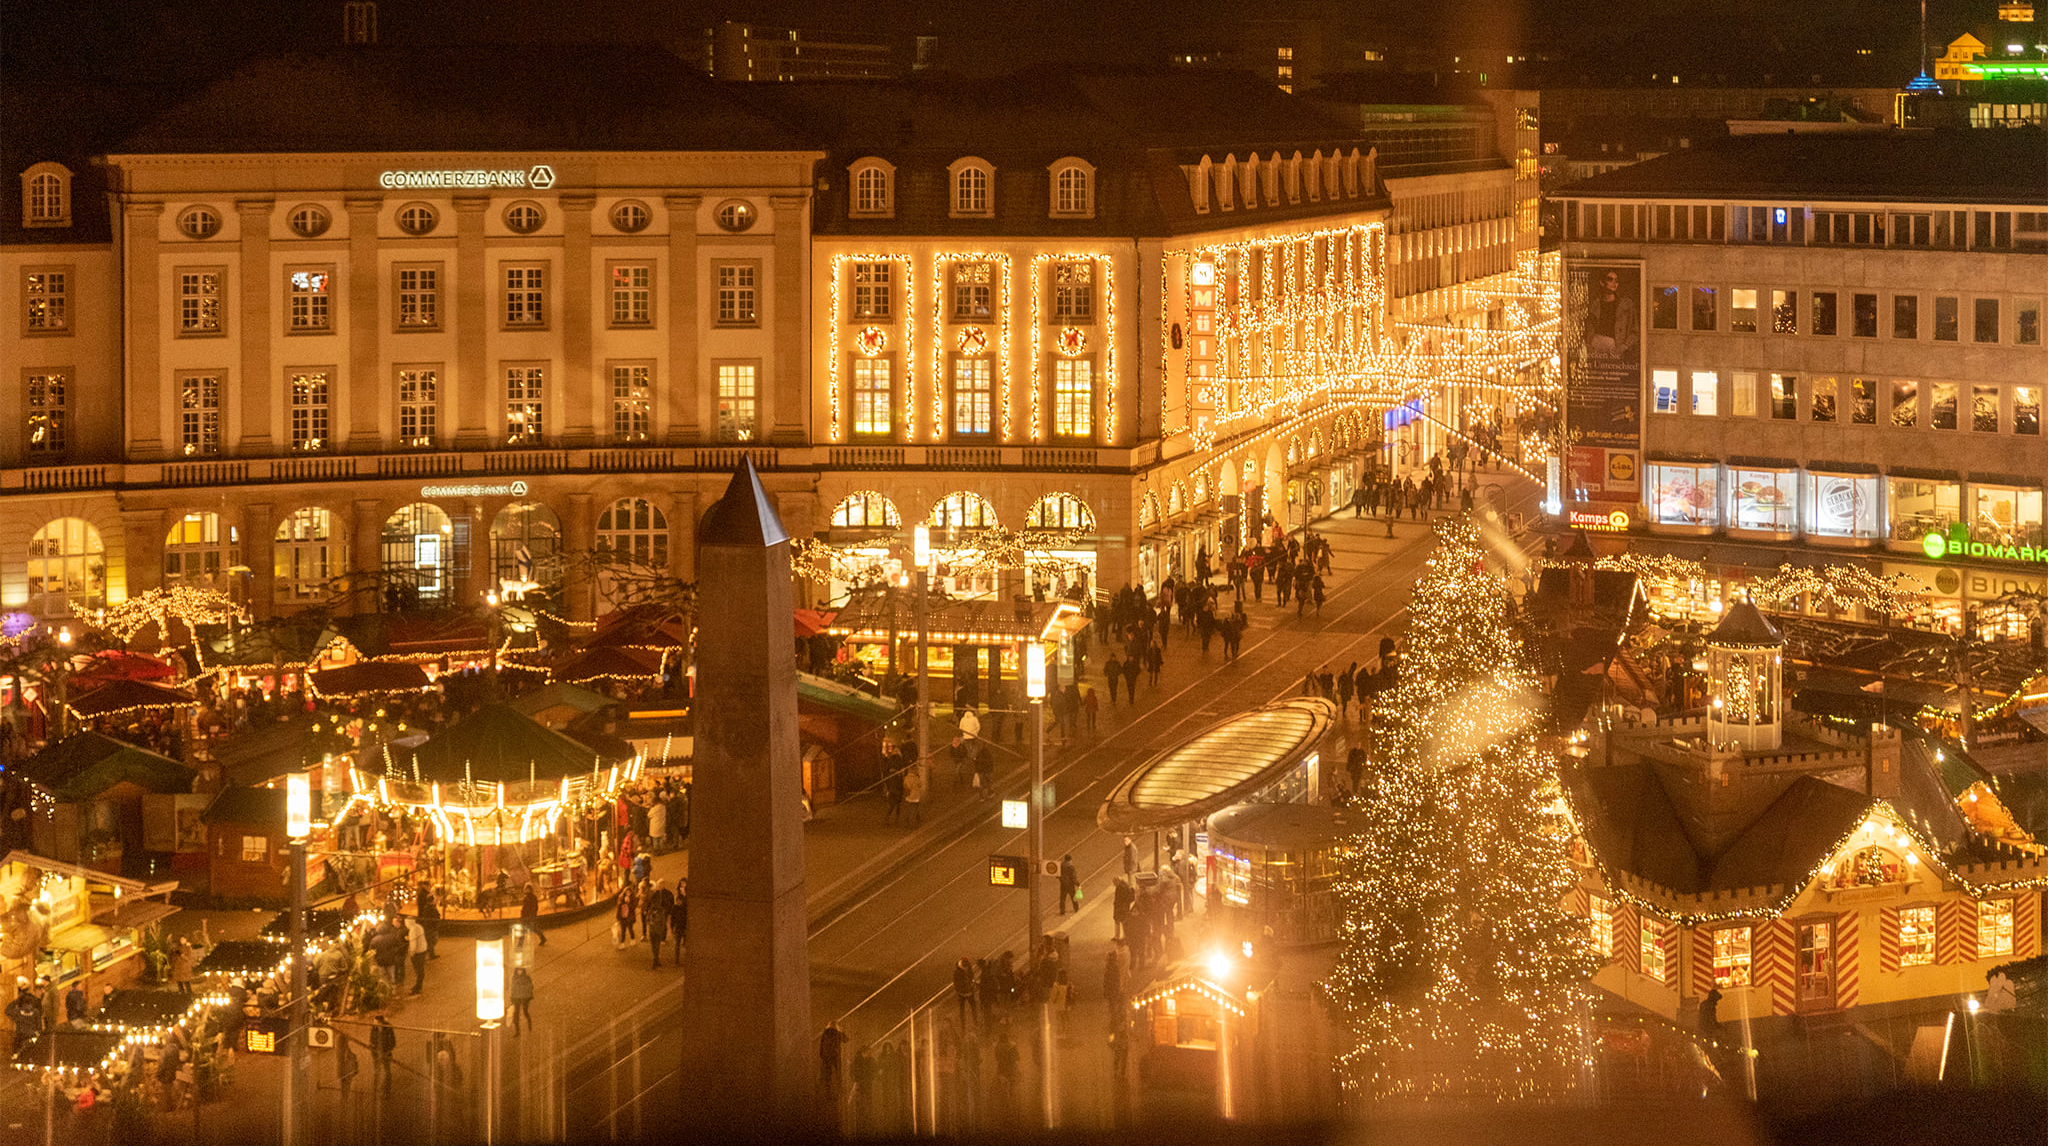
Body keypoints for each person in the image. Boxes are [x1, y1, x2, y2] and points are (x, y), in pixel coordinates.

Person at [645, 880, 674, 968]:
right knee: (656, 945)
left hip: (653, 929)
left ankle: (655, 959)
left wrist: (650, 925)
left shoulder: (651, 911)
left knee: (654, 945)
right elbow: (662, 921)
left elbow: (647, 919)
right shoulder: (660, 911)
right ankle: (656, 959)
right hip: (657, 930)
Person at [370, 1013, 397, 1098]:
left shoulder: (388, 1029)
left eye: (376, 1023)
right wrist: (373, 1051)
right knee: (376, 1073)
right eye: (374, 1023)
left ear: (381, 1022)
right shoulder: (374, 1029)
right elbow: (371, 1040)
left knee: (387, 1073)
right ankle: (375, 1093)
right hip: (376, 1054)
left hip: (386, 1054)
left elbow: (393, 1043)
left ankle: (386, 1092)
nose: (375, 1024)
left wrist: (386, 1051)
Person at [818, 1021, 846, 1102]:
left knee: (827, 1076)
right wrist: (841, 1030)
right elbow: (846, 1039)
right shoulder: (837, 1033)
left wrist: (822, 1055)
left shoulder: (825, 1033)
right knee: (838, 1074)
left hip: (826, 1057)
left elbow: (821, 1045)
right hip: (835, 1056)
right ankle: (839, 1091)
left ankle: (828, 1094)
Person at [406, 914, 429, 996]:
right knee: (421, 969)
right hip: (423, 949)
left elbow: (413, 944)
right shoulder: (419, 927)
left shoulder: (412, 931)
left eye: (406, 923)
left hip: (418, 952)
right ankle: (419, 985)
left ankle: (418, 987)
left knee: (418, 970)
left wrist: (411, 953)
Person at [416, 885, 442, 959]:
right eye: (434, 900)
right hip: (431, 928)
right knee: (431, 941)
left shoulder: (429, 908)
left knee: (431, 941)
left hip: (432, 927)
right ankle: (429, 954)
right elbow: (431, 918)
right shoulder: (429, 909)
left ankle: (430, 953)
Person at [508, 967, 534, 1036]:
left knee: (525, 1012)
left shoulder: (526, 977)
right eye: (518, 970)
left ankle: (529, 1026)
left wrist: (528, 997)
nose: (519, 972)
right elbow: (513, 988)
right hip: (517, 998)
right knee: (516, 1015)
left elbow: (530, 987)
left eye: (521, 970)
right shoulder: (515, 978)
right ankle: (517, 1031)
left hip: (524, 998)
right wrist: (512, 999)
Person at [669, 877, 689, 965]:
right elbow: (673, 916)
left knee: (685, 943)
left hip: (685, 923)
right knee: (677, 944)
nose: (682, 885)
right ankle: (676, 960)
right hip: (679, 925)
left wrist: (685, 895)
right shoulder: (676, 907)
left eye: (684, 883)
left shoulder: (688, 894)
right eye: (681, 883)